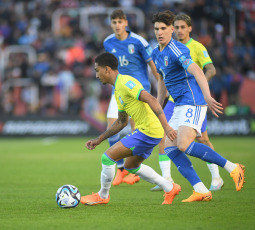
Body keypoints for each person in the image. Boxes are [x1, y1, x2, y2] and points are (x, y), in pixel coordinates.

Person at [151, 10, 245, 202]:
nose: (159, 32)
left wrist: (208, 97)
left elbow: (198, 72)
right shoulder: (156, 53)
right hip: (178, 105)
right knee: (170, 148)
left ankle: (232, 168)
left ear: (170, 30)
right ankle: (201, 189)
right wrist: (157, 106)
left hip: (192, 101)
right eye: (156, 29)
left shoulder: (178, 49)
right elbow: (162, 82)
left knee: (183, 144)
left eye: (163, 28)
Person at [80, 52, 181, 206]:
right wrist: (99, 139)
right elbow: (122, 121)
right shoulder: (118, 89)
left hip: (148, 130)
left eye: (97, 70)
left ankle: (102, 195)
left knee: (107, 158)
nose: (96, 75)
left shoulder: (126, 83)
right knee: (131, 166)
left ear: (107, 69)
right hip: (148, 131)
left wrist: (166, 126)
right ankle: (170, 187)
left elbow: (152, 99)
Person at [103, 9, 160, 186]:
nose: (117, 25)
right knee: (112, 126)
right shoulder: (108, 42)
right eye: (114, 22)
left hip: (138, 90)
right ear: (111, 24)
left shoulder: (138, 41)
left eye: (120, 22)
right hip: (118, 91)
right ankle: (121, 168)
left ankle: (133, 169)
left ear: (126, 23)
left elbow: (153, 66)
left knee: (138, 131)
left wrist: (162, 88)